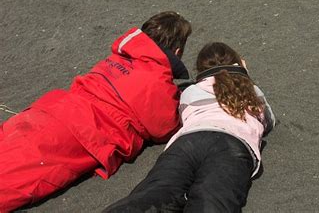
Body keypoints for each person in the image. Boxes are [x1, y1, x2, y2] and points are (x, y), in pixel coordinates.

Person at [0, 11, 192, 212]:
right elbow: (163, 128)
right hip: (84, 132)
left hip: (55, 108)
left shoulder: (119, 57)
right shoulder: (157, 81)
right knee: (17, 178)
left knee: (10, 145)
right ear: (177, 52)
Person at [105, 41, 275, 213]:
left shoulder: (190, 93)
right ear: (239, 63)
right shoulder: (253, 92)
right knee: (213, 200)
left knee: (155, 193)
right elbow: (268, 120)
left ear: (201, 72)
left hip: (188, 141)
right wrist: (243, 76)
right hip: (232, 145)